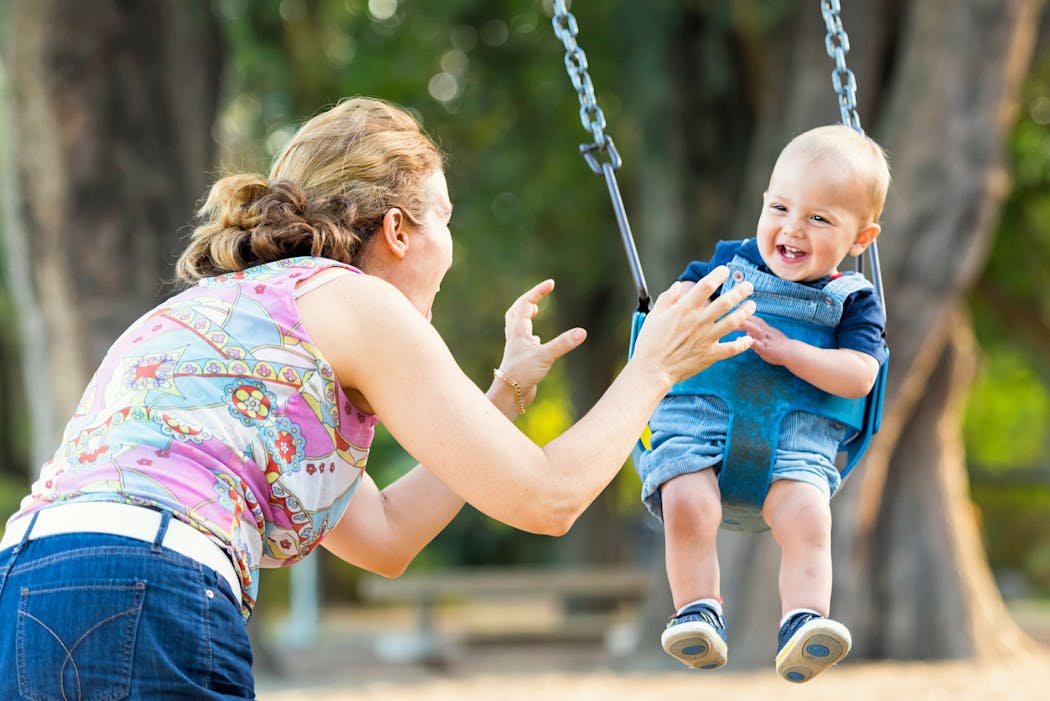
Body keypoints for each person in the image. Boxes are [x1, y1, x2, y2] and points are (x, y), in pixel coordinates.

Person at [0, 96, 755, 699]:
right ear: (396, 228)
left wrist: (501, 399)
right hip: (150, 589)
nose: (450, 248)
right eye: (446, 220)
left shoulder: (245, 319)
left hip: (29, 587)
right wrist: (654, 366)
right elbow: (548, 498)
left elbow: (384, 536)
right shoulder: (355, 300)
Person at [636, 125, 890, 683]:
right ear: (764, 203)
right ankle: (698, 611)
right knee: (686, 504)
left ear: (861, 238)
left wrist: (792, 352)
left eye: (820, 218)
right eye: (780, 206)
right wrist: (673, 309)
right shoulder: (725, 266)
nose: (793, 228)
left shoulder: (854, 302)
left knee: (807, 518)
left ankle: (803, 622)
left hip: (794, 452)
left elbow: (860, 375)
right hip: (697, 435)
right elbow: (669, 316)